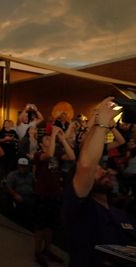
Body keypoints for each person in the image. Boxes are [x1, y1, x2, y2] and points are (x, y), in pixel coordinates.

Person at [63, 97, 136, 267]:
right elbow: (86, 165)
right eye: (97, 170)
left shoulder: (121, 214)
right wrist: (100, 122)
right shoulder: (79, 209)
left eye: (102, 168)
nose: (105, 170)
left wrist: (103, 124)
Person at [33, 126, 75, 267]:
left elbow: (72, 156)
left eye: (49, 138)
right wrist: (54, 134)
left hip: (55, 194)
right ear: (40, 144)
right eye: (46, 138)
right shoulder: (38, 155)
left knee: (50, 226)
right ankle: (37, 252)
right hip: (42, 195)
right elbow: (49, 155)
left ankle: (47, 250)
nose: (49, 139)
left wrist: (62, 139)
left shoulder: (56, 152)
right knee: (40, 226)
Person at [6, 157, 35, 229]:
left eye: (25, 166)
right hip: (18, 195)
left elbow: (34, 185)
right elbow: (8, 187)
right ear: (18, 166)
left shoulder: (30, 175)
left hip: (30, 195)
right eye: (21, 166)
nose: (23, 168)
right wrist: (15, 194)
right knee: (27, 204)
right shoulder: (12, 175)